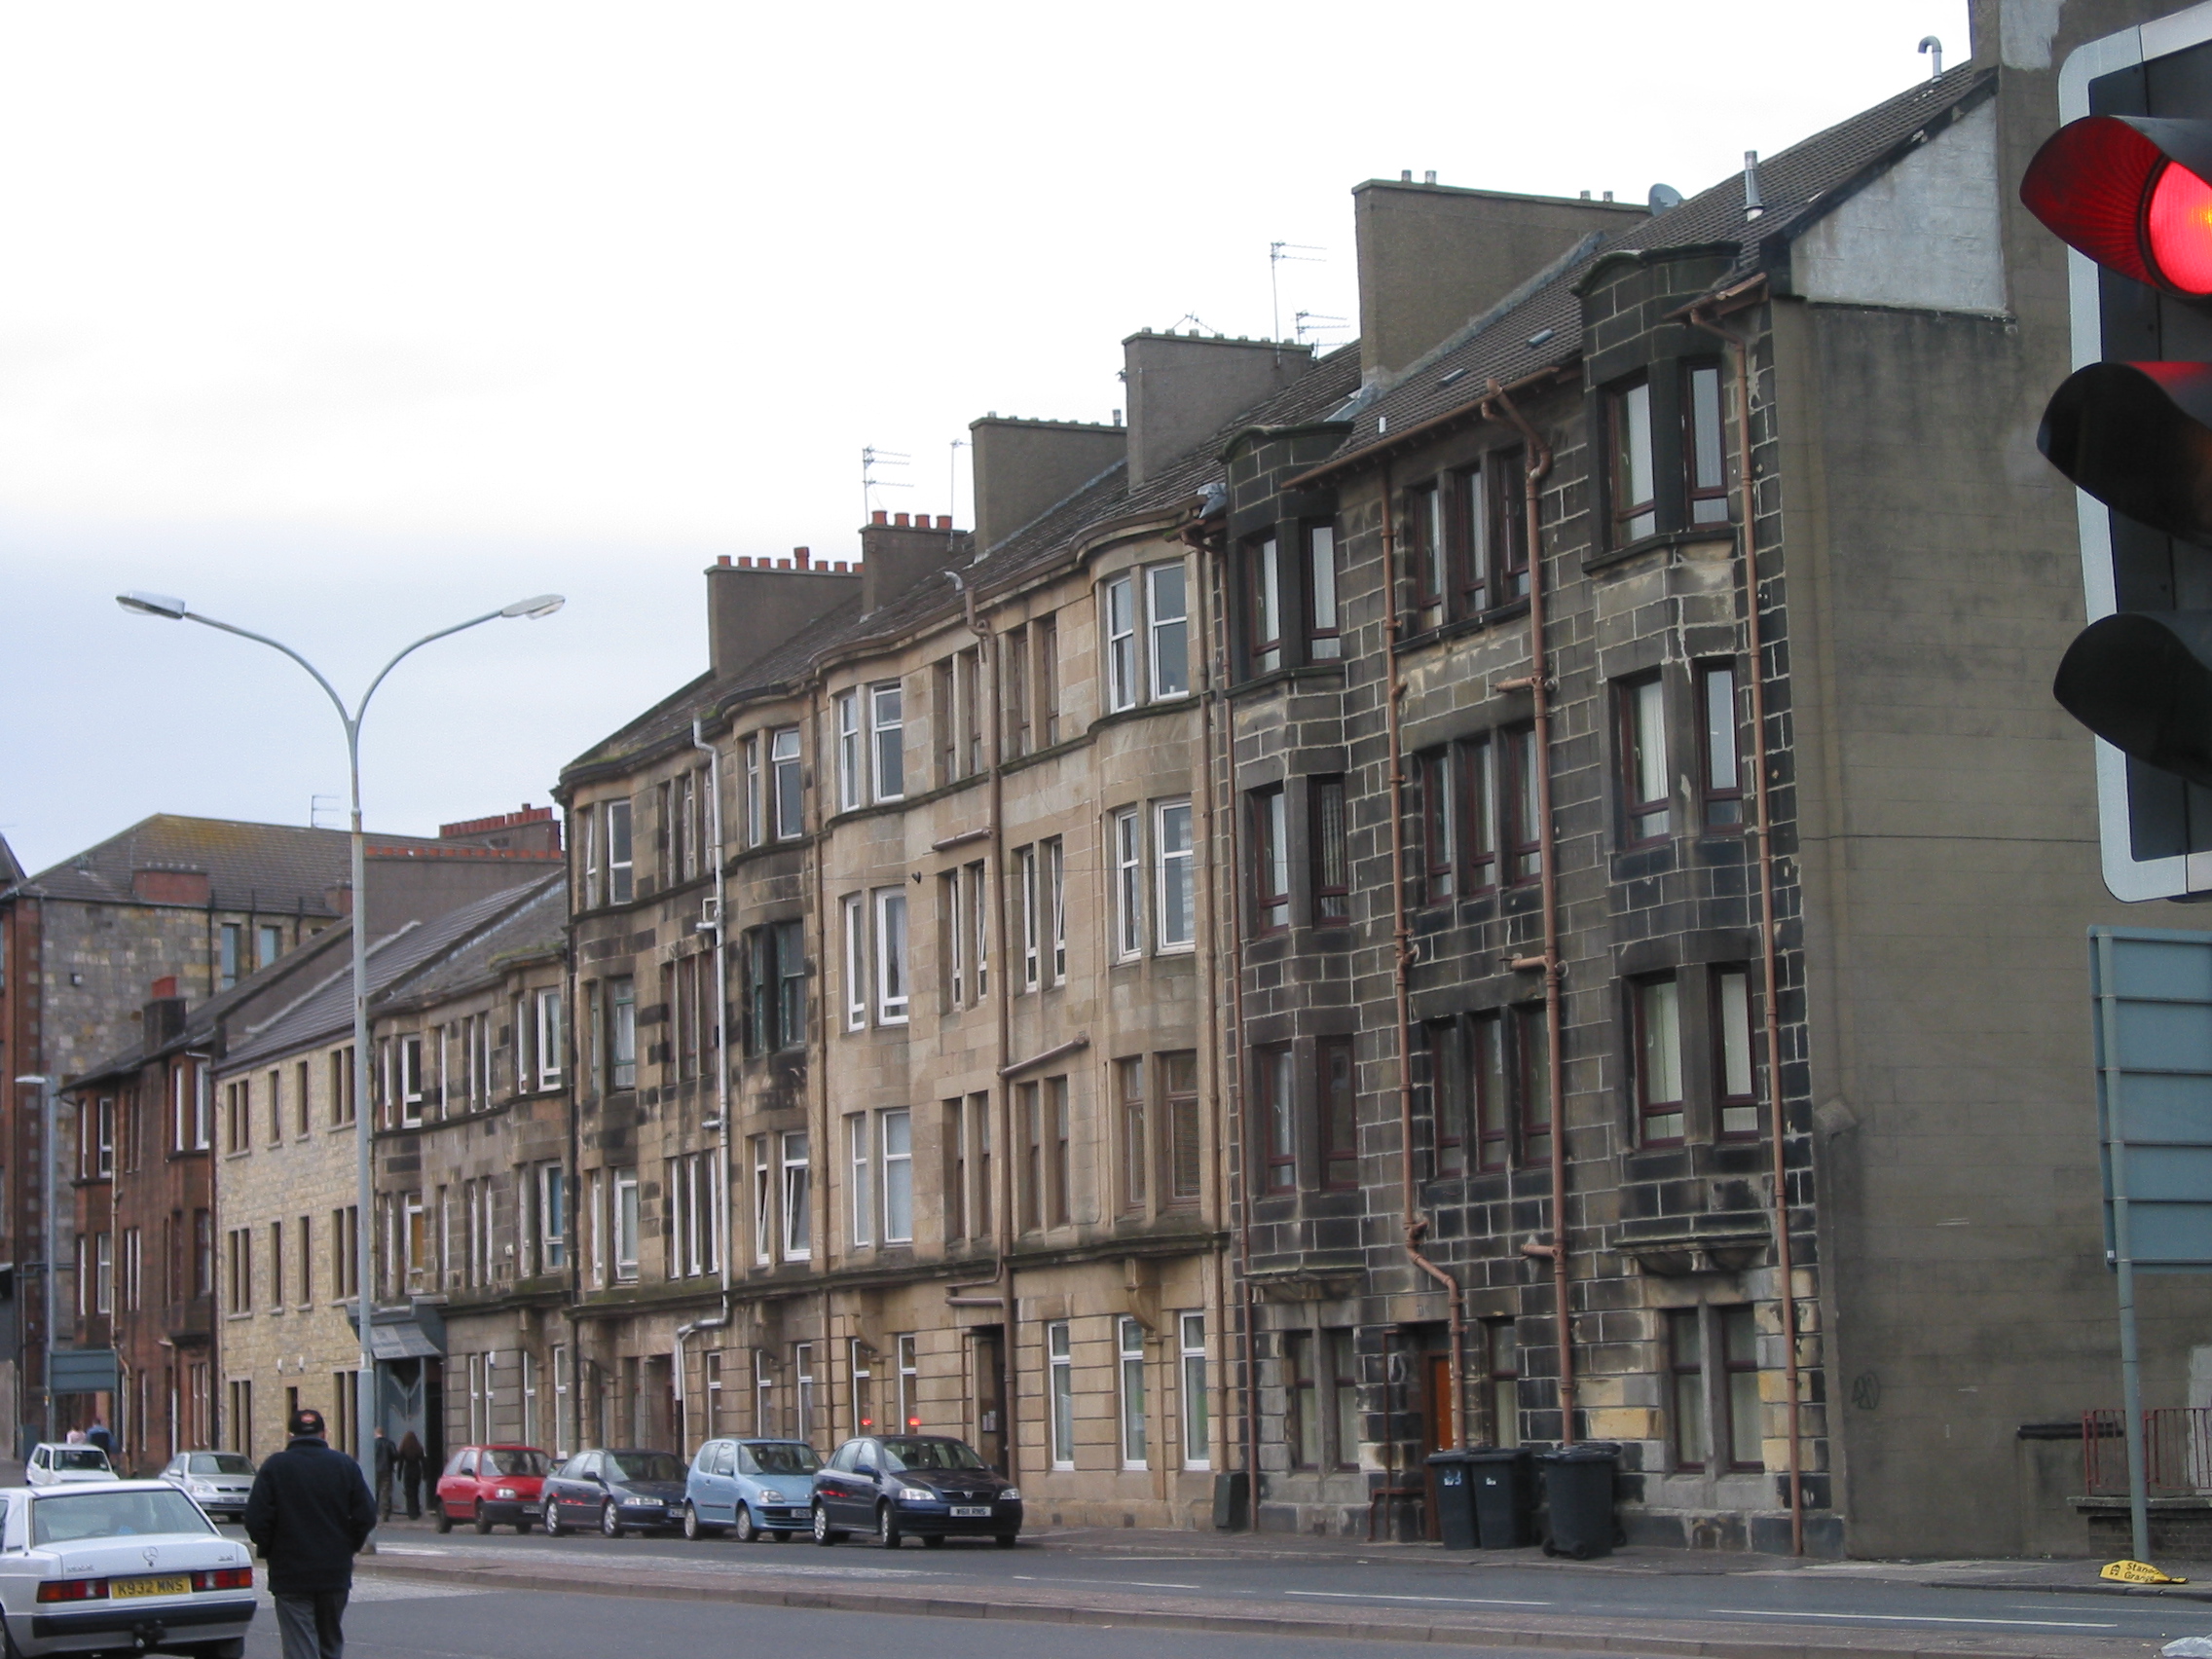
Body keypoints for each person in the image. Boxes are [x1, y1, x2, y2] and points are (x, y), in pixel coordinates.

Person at [244, 1407, 376, 1659]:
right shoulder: (344, 1465)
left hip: (290, 1570)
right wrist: (349, 1545)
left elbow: (256, 1519)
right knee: (329, 1641)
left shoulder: (275, 1466)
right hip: (334, 1570)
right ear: (324, 1433)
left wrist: (270, 1548)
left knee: (301, 1644)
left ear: (289, 1435)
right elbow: (366, 1515)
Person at [396, 1430, 425, 1520]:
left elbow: (400, 1462)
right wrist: (425, 1473)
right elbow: (423, 1461)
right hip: (417, 1470)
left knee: (409, 1493)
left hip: (408, 1471)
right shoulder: (418, 1448)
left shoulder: (404, 1447)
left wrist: (399, 1474)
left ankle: (411, 1512)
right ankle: (417, 1511)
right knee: (416, 1492)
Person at [371, 1428, 393, 1521]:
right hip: (386, 1469)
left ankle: (373, 1512)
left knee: (373, 1490)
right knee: (385, 1492)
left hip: (374, 1470)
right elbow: (395, 1454)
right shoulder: (389, 1443)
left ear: (376, 1434)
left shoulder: (373, 1444)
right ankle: (384, 1514)